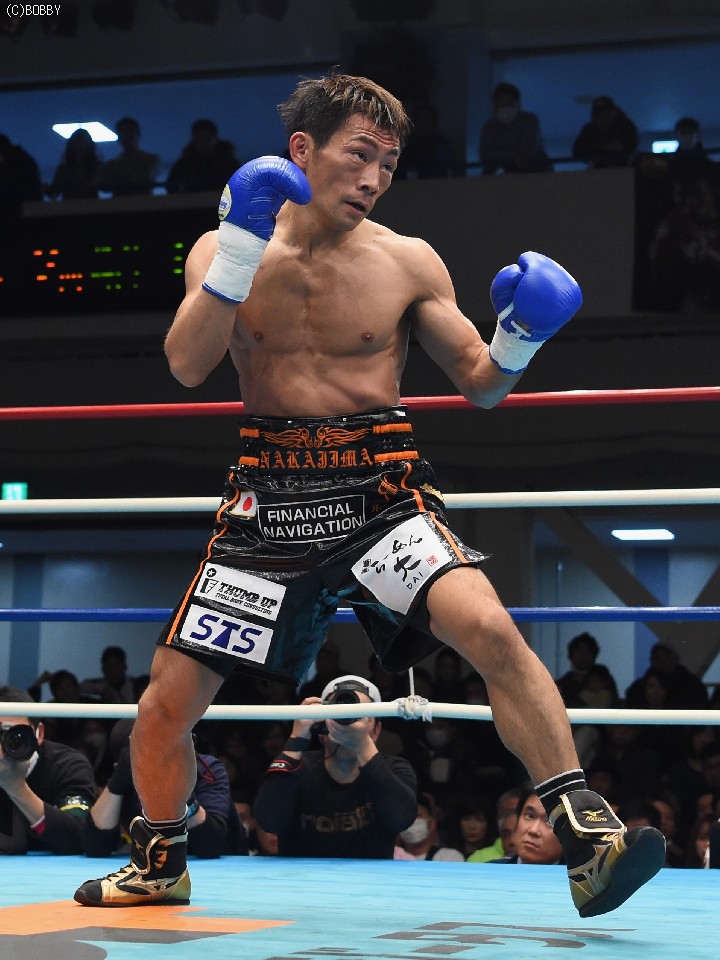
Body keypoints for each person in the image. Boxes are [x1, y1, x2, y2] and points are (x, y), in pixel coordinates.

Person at [73, 72, 664, 915]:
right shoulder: (224, 247)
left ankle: (588, 837)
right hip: (269, 504)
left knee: (492, 629)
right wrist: (238, 249)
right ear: (301, 150)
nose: (374, 178)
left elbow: (482, 383)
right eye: (359, 155)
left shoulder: (407, 259)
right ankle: (160, 863)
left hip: (380, 490)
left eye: (388, 163)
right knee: (165, 705)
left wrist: (520, 335)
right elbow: (186, 364)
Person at [251, 675, 416, 858]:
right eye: (340, 714)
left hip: (372, 876)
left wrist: (363, 746)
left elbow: (402, 820)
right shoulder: (298, 767)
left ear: (376, 731)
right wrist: (296, 739)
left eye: (359, 716)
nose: (349, 722)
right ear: (321, 725)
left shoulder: (394, 769)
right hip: (303, 875)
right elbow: (269, 822)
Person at [79, 719, 244, 866]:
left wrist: (181, 787)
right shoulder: (124, 777)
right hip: (157, 866)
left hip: (218, 868)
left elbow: (211, 847)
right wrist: (117, 783)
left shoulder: (204, 769)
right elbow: (95, 848)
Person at [0, 686, 95, 855]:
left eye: (16, 734)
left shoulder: (67, 765)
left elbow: (81, 837)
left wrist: (16, 787)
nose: (5, 743)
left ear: (39, 733)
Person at [480, 82, 551, 175]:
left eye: (508, 104)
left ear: (517, 104)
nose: (505, 108)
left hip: (534, 172)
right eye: (500, 105)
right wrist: (512, 156)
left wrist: (503, 155)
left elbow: (527, 150)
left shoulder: (529, 121)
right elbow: (485, 154)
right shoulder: (490, 126)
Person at [491, 785, 563, 865]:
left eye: (549, 821)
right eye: (529, 816)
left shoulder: (574, 873)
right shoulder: (490, 870)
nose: (533, 830)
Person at [166, 118, 239, 194]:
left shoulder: (230, 164)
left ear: (215, 139)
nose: (203, 143)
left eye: (207, 139)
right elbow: (171, 187)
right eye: (199, 139)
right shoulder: (183, 165)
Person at [572, 96, 638, 169]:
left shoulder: (625, 126)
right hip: (599, 171)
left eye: (606, 113)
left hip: (623, 170)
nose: (603, 117)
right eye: (599, 114)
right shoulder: (589, 130)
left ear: (613, 112)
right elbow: (578, 151)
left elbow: (630, 147)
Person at [100, 117, 160, 196]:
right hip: (123, 202)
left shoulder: (151, 160)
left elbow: (145, 179)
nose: (127, 136)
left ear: (138, 135)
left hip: (141, 201)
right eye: (123, 133)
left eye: (130, 132)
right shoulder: (112, 164)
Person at [395, 791, 463, 861]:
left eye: (417, 815)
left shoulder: (449, 857)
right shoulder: (392, 858)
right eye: (405, 817)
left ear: (432, 823)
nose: (411, 821)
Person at [47, 127, 102, 199]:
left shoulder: (97, 167)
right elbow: (55, 190)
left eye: (83, 141)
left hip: (86, 204)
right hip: (76, 204)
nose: (80, 145)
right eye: (77, 141)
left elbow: (104, 185)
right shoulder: (64, 169)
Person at [79, 645, 146, 704]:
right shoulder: (97, 685)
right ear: (103, 669)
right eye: (108, 667)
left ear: (124, 667)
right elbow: (80, 689)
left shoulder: (136, 685)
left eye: (115, 667)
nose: (111, 671)